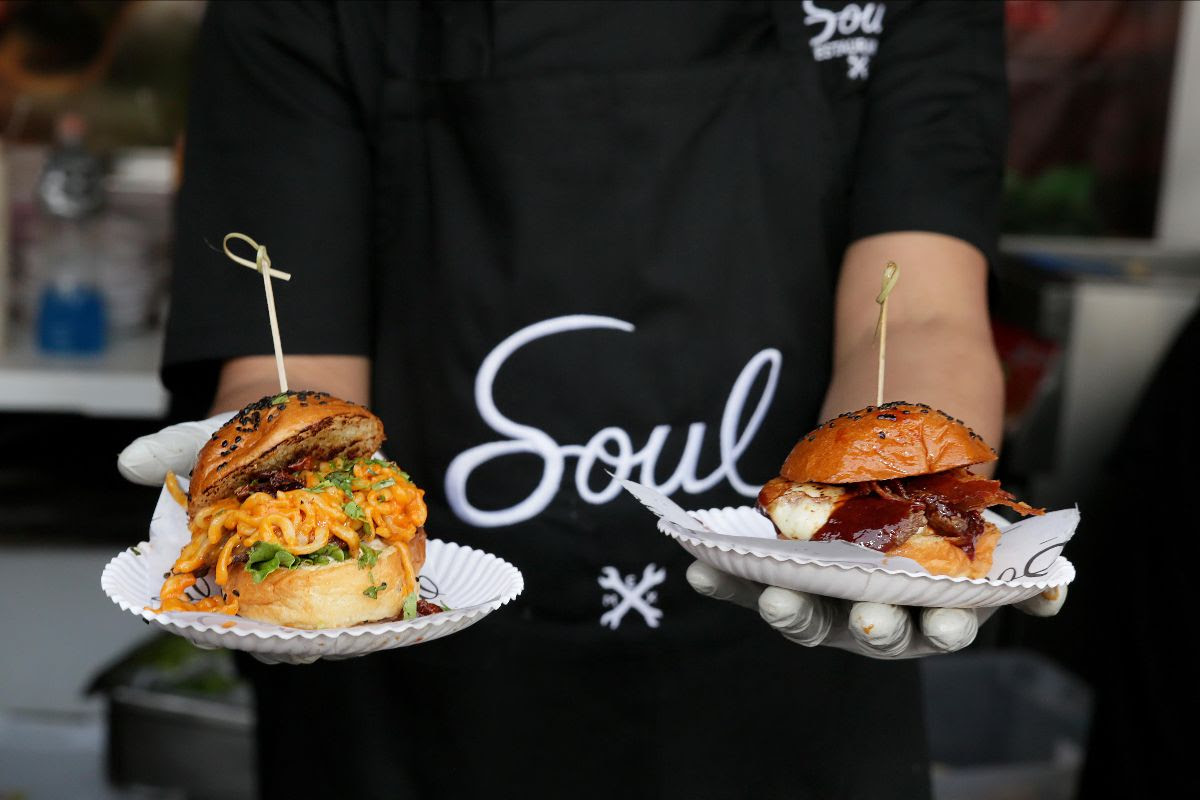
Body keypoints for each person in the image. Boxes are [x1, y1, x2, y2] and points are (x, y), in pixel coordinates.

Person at [119, 2, 1062, 797]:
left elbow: (919, 313)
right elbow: (289, 352)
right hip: (413, 696)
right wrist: (268, 489)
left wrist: (900, 531)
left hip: (793, 673)